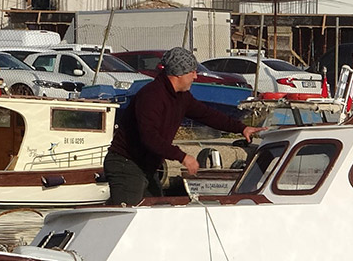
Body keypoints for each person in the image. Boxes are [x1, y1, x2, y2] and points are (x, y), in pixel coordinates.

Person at [104, 47, 267, 206]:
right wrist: (183, 157)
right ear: (178, 74)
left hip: (146, 166)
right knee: (131, 214)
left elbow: (207, 115)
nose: (195, 76)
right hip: (126, 164)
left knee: (159, 210)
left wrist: (241, 128)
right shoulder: (151, 96)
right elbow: (149, 137)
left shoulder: (182, 97)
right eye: (192, 72)